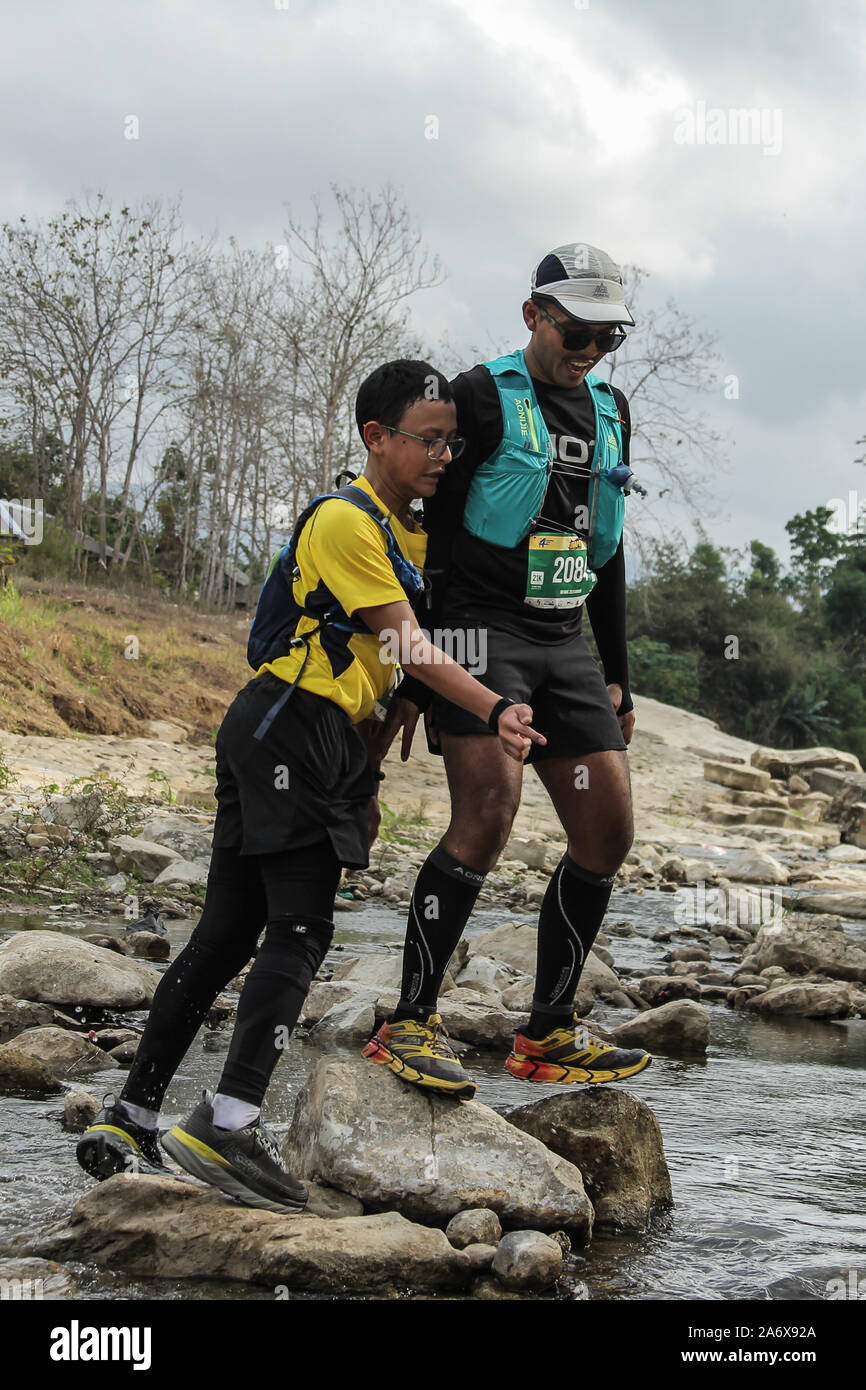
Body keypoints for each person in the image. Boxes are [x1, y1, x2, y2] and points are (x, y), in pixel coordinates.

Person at [75, 359, 544, 1212]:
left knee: (225, 933)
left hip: (291, 730)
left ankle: (132, 1114)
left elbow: (388, 664)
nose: (443, 456)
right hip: (292, 723)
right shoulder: (345, 519)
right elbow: (401, 643)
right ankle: (227, 1119)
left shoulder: (416, 536)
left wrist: (364, 770)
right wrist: (498, 706)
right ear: (376, 437)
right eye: (428, 440)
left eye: (452, 442)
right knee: (299, 930)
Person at [363, 245, 651, 1096]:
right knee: (487, 816)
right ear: (535, 316)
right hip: (480, 632)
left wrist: (619, 674)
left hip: (566, 638)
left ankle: (548, 1031)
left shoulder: (611, 407)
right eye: (578, 331)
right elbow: (437, 538)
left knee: (608, 831)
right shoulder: (479, 397)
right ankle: (410, 1020)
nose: (591, 350)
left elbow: (610, 542)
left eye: (609, 337)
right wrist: (419, 676)